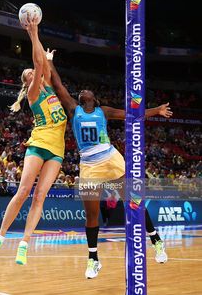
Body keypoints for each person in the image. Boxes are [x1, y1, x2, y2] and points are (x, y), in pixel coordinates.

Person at [46, 50, 171, 278]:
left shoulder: (103, 112)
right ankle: (93, 259)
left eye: (86, 90)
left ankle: (156, 241)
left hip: (111, 159)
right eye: (80, 91)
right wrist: (49, 62)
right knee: (91, 215)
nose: (83, 90)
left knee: (134, 202)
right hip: (89, 166)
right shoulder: (75, 110)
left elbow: (132, 113)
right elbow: (58, 85)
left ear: (93, 97)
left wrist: (157, 110)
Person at [0, 16, 67, 265]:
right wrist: (33, 33)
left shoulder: (50, 87)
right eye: (29, 73)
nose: (33, 72)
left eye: (34, 71)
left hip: (58, 149)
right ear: (28, 81)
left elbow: (43, 64)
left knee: (40, 197)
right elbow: (39, 62)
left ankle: (24, 243)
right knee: (23, 192)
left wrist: (47, 58)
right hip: (39, 144)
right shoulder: (32, 94)